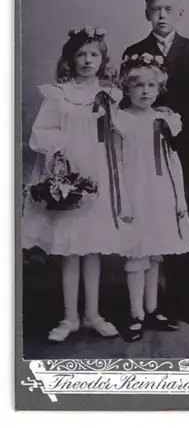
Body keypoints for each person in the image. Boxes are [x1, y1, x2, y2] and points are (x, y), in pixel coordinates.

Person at [22, 27, 136, 342]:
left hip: (99, 172)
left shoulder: (110, 93)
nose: (88, 60)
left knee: (93, 246)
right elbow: (41, 134)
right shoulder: (59, 94)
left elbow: (120, 132)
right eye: (81, 54)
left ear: (103, 59)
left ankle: (93, 315)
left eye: (94, 54)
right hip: (69, 174)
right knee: (70, 247)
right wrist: (62, 154)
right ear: (71, 59)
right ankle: (69, 317)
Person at [121, 0, 189, 326]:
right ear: (147, 13)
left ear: (180, 13)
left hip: (184, 154)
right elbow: (126, 100)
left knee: (187, 222)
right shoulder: (136, 50)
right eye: (156, 10)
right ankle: (154, 304)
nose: (162, 16)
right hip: (146, 153)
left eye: (169, 10)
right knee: (152, 224)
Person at [119, 52, 189, 342]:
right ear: (126, 87)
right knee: (136, 251)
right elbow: (115, 163)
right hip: (135, 191)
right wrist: (122, 200)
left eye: (151, 86)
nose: (144, 92)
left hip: (161, 190)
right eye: (138, 85)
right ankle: (135, 313)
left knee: (155, 254)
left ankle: (152, 308)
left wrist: (179, 201)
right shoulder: (121, 120)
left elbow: (173, 160)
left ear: (159, 88)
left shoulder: (166, 118)